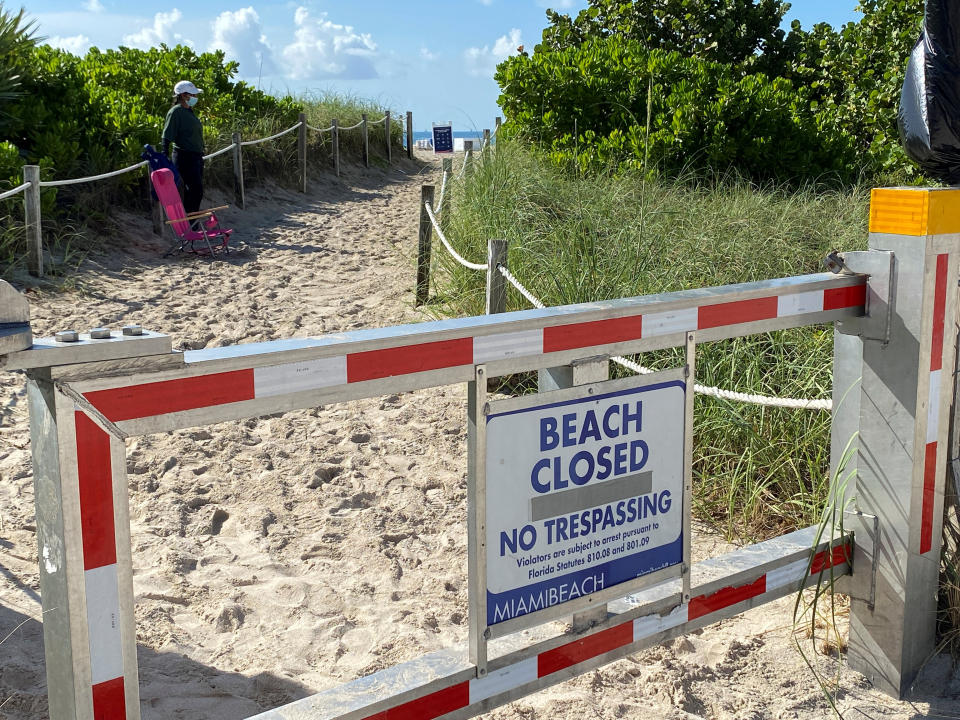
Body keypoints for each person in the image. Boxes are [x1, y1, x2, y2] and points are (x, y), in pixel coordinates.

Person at [162, 80, 205, 216]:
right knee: (194, 190)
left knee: (196, 191)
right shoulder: (176, 112)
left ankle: (192, 221)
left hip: (196, 156)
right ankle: (191, 222)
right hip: (184, 156)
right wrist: (164, 154)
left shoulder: (189, 111)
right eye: (193, 95)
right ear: (183, 95)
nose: (195, 97)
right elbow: (167, 134)